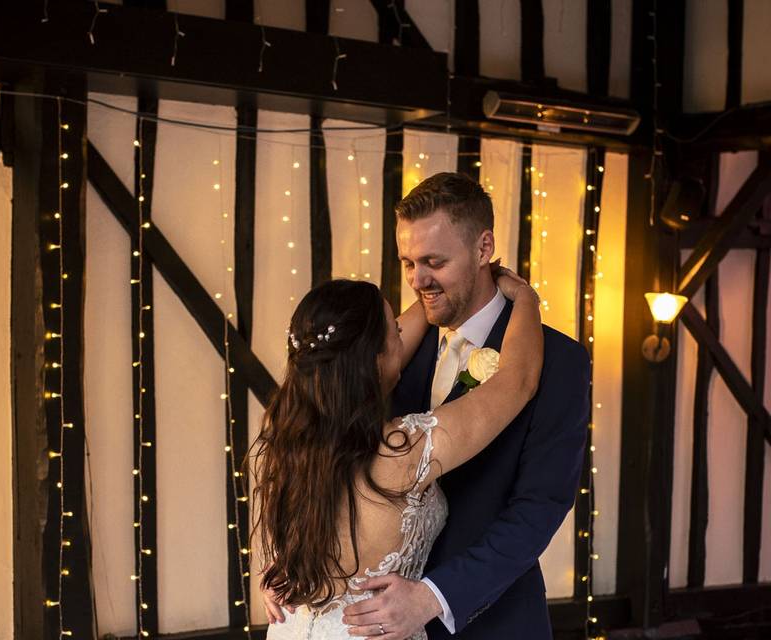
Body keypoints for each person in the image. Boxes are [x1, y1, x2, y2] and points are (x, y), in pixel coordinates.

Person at [259, 172, 591, 640]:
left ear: (483, 249)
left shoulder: (560, 361)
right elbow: (328, 462)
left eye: (434, 261)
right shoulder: (392, 349)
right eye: (408, 262)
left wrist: (435, 595)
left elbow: (539, 509)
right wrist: (294, 558)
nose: (417, 280)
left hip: (487, 622)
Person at [250, 260, 543, 640]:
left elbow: (351, 361)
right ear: (373, 358)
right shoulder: (402, 452)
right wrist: (526, 298)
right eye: (395, 332)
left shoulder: (282, 445)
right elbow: (517, 381)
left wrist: (434, 290)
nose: (403, 338)